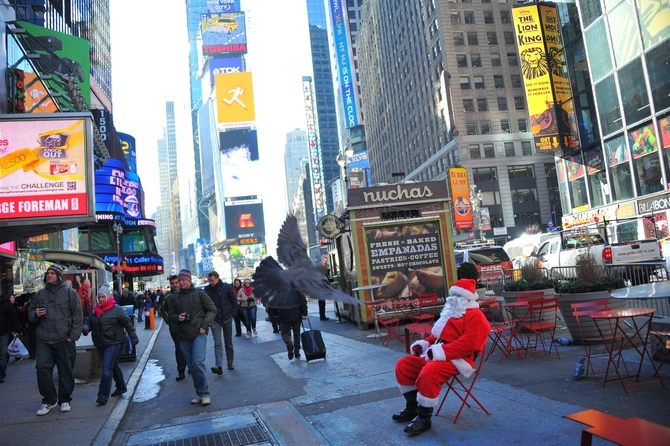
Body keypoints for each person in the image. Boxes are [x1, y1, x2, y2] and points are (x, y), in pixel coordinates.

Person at [392, 278, 489, 435]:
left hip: (459, 359)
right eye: (453, 295)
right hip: (436, 353)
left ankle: (424, 418)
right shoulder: (452, 312)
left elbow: (468, 345)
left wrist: (440, 352)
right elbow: (437, 336)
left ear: (468, 298)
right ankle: (412, 408)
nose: (454, 299)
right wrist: (424, 344)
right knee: (403, 365)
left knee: (429, 372)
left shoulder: (477, 317)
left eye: (459, 296)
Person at [28, 264, 83, 416]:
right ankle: (49, 400)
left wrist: (73, 336)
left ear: (58, 276)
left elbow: (77, 315)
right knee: (42, 369)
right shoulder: (40, 294)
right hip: (44, 340)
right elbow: (30, 314)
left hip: (64, 339)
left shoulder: (69, 292)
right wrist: (36, 314)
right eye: (48, 273)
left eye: (52, 273)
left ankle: (65, 400)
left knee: (65, 371)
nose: (49, 275)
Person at [166, 269, 217, 406]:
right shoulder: (174, 298)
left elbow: (212, 310)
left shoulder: (200, 294)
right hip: (183, 335)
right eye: (179, 280)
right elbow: (170, 316)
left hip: (199, 332)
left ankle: (205, 393)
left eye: (183, 280)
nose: (181, 283)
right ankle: (199, 393)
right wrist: (178, 317)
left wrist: (205, 325)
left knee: (198, 362)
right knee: (192, 366)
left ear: (189, 281)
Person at [82, 286, 138, 405]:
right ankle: (121, 387)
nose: (101, 299)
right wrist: (86, 327)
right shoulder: (95, 311)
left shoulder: (116, 309)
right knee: (112, 365)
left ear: (108, 297)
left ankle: (103, 395)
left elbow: (128, 323)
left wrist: (133, 338)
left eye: (103, 297)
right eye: (99, 297)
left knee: (106, 368)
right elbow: (89, 322)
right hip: (101, 343)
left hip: (115, 342)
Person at [204, 271, 238, 374]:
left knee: (228, 342)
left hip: (227, 318)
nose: (211, 282)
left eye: (212, 280)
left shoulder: (226, 287)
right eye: (209, 281)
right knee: (217, 343)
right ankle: (218, 366)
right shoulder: (207, 290)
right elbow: (205, 305)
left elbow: (234, 302)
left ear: (217, 278)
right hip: (215, 320)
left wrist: (232, 314)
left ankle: (230, 363)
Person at [159, 275, 187, 381]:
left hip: (188, 326)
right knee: (179, 349)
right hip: (175, 327)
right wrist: (170, 322)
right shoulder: (167, 296)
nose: (175, 285)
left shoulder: (186, 293)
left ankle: (191, 366)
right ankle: (181, 371)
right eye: (173, 283)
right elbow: (163, 311)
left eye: (176, 282)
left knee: (189, 347)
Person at [276, 288, 308, 360]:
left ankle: (289, 344)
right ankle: (297, 352)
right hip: (296, 313)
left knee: (285, 333)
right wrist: (305, 313)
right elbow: (303, 301)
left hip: (284, 314)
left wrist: (275, 314)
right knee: (297, 333)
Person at [0, 293, 21, 383]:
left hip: (3, 332)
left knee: (3, 354)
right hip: (4, 331)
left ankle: (1, 374)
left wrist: (17, 329)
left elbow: (13, 317)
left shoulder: (6, 304)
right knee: (3, 354)